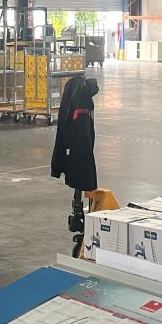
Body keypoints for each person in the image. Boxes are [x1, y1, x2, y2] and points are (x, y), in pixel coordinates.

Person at [50, 75, 99, 255]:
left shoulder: (75, 94)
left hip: (74, 150)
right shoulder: (81, 100)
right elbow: (83, 133)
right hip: (79, 151)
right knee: (83, 177)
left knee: (81, 179)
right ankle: (80, 211)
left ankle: (79, 208)